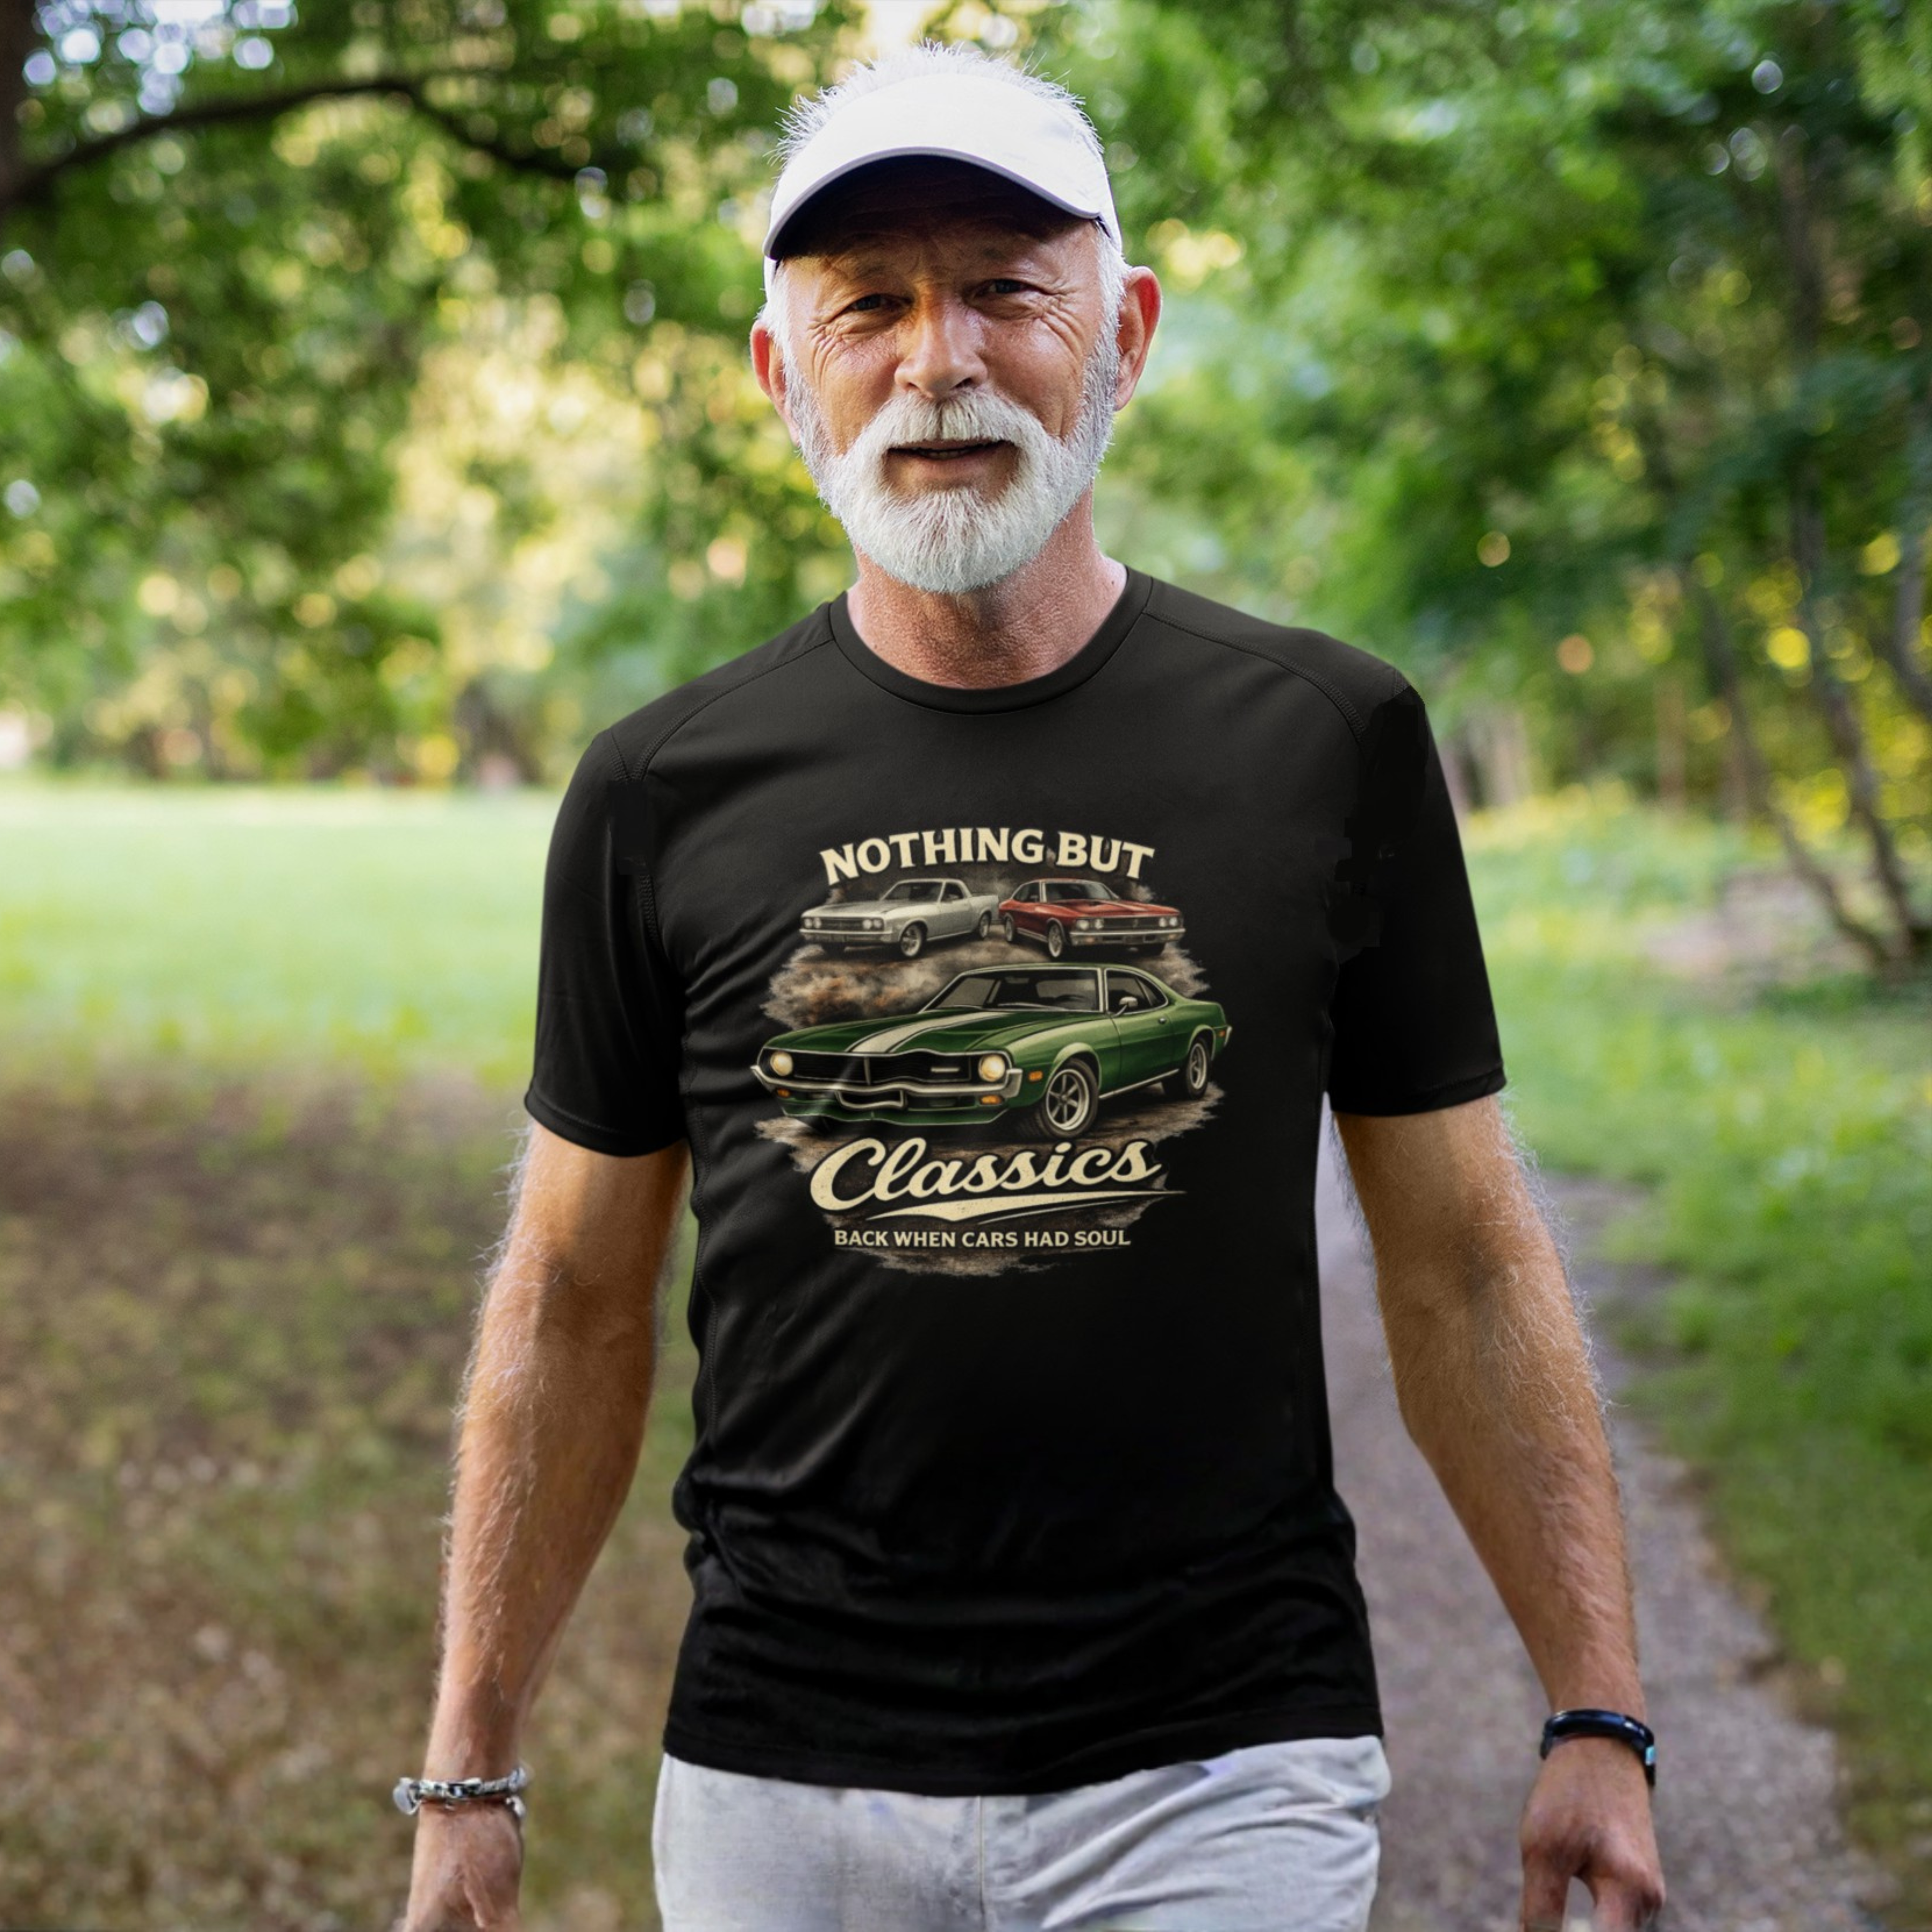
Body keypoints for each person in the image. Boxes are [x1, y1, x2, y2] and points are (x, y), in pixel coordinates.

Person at [397, 42, 1666, 1932]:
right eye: (871, 308)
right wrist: (470, 1767)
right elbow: (574, 1296)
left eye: (1007, 290)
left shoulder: (1329, 740)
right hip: (782, 1778)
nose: (940, 361)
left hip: (1224, 1770)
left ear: (1125, 333)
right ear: (783, 372)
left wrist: (1600, 1709)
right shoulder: (662, 794)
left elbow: (1466, 1256)